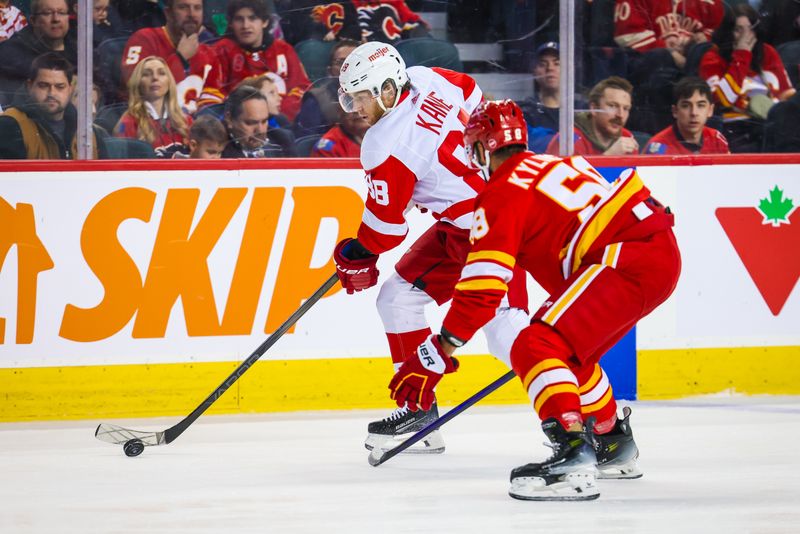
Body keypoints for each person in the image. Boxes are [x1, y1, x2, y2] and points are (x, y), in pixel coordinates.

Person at [387, 100, 681, 501]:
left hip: (624, 258)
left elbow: (482, 286)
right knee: (571, 357)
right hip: (654, 250)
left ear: (481, 149)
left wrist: (441, 348)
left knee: (534, 342)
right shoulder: (559, 164)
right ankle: (613, 443)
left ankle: (572, 456)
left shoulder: (502, 190)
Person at [332, 41, 529, 453]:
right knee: (396, 299)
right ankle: (419, 411)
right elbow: (474, 94)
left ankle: (598, 421)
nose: (353, 108)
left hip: (493, 231)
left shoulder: (384, 143)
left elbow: (386, 229)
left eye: (360, 97)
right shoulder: (427, 77)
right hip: (464, 224)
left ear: (388, 89)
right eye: (348, 97)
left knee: (507, 332)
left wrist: (357, 252)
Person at [613, 0, 724, 132]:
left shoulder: (710, 3)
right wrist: (669, 52)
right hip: (650, 67)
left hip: (690, 65)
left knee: (703, 55)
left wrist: (702, 40)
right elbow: (627, 34)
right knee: (660, 57)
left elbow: (718, 30)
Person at [700, 4, 796, 152]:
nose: (746, 36)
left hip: (773, 127)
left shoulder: (767, 53)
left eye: (750, 29)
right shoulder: (712, 58)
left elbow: (787, 96)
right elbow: (722, 100)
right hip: (736, 130)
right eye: (738, 30)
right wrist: (742, 55)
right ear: (728, 32)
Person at [120, 0, 225, 114]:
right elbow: (137, 88)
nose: (192, 14)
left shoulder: (208, 54)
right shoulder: (144, 39)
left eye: (197, 8)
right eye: (183, 7)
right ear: (168, 13)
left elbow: (214, 101)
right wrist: (180, 59)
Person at [213, 0, 310, 122]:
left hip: (283, 123)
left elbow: (302, 88)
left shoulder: (284, 49)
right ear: (231, 23)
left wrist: (279, 112)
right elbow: (213, 96)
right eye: (239, 19)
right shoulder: (221, 50)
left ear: (265, 22)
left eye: (252, 18)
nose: (245, 25)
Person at [0, 53, 106, 159]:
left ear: (70, 89)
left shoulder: (88, 130)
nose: (52, 93)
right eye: (43, 86)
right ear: (30, 86)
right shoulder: (10, 124)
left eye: (60, 87)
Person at [0, 0, 76, 106]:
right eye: (47, 13)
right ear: (33, 20)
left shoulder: (82, 49)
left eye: (61, 13)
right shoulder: (13, 54)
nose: (56, 19)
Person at [518, 41, 588, 154]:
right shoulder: (525, 112)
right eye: (543, 64)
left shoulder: (582, 109)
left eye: (557, 63)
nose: (550, 68)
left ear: (569, 70)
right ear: (534, 71)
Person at [114, 56, 191, 158]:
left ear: (169, 82)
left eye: (162, 73)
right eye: (147, 74)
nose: (155, 78)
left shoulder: (186, 121)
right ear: (138, 83)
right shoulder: (128, 123)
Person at [546, 76, 639, 156]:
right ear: (594, 108)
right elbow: (559, 176)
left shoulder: (626, 137)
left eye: (626, 108)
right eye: (612, 106)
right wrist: (609, 157)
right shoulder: (568, 140)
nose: (620, 115)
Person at [643, 76, 729, 155]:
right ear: (675, 111)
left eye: (700, 105)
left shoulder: (717, 139)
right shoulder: (658, 147)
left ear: (710, 110)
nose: (694, 113)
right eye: (686, 106)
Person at [293, 38, 359, 138]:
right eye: (341, 62)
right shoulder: (316, 99)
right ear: (330, 70)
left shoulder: (378, 96)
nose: (348, 68)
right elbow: (306, 141)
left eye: (355, 62)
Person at [221, 84, 295, 157]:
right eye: (251, 123)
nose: (260, 131)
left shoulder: (282, 140)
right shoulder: (215, 146)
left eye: (264, 121)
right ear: (229, 119)